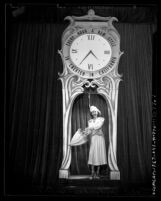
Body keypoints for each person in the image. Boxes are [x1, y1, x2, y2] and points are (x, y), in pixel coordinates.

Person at [84, 105, 107, 179]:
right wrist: (85, 132)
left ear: (97, 112)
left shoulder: (101, 119)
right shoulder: (89, 121)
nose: (94, 113)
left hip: (100, 138)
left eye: (95, 111)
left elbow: (98, 126)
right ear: (91, 113)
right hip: (93, 138)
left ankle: (97, 173)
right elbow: (90, 131)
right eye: (92, 112)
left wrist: (90, 128)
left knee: (99, 153)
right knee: (93, 154)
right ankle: (92, 172)